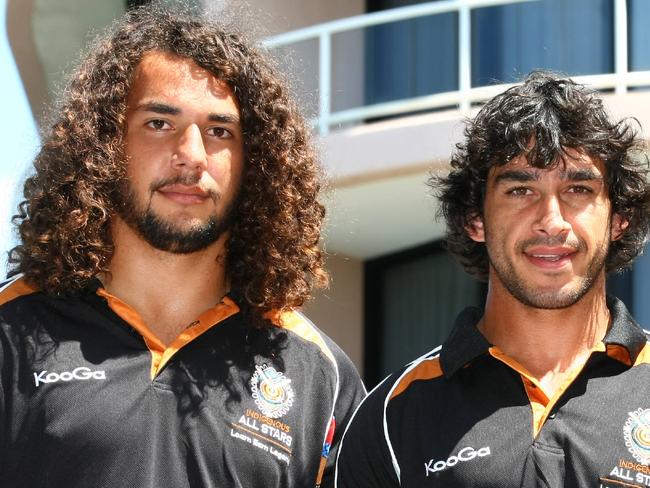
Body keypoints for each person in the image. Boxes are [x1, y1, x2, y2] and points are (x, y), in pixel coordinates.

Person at [0, 5, 365, 488]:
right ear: (104, 143)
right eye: (158, 123)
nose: (191, 156)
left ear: (253, 163)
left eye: (219, 132)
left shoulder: (320, 372)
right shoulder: (12, 331)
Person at [335, 71, 650, 487]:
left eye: (578, 190)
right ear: (476, 220)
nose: (551, 222)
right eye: (520, 191)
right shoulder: (392, 414)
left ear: (618, 219)